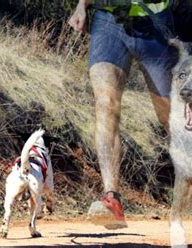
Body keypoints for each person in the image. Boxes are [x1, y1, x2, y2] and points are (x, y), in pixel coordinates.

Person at [68, 0, 178, 229]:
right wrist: (82, 5)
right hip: (109, 20)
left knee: (169, 115)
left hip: (154, 21)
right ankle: (112, 198)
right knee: (105, 103)